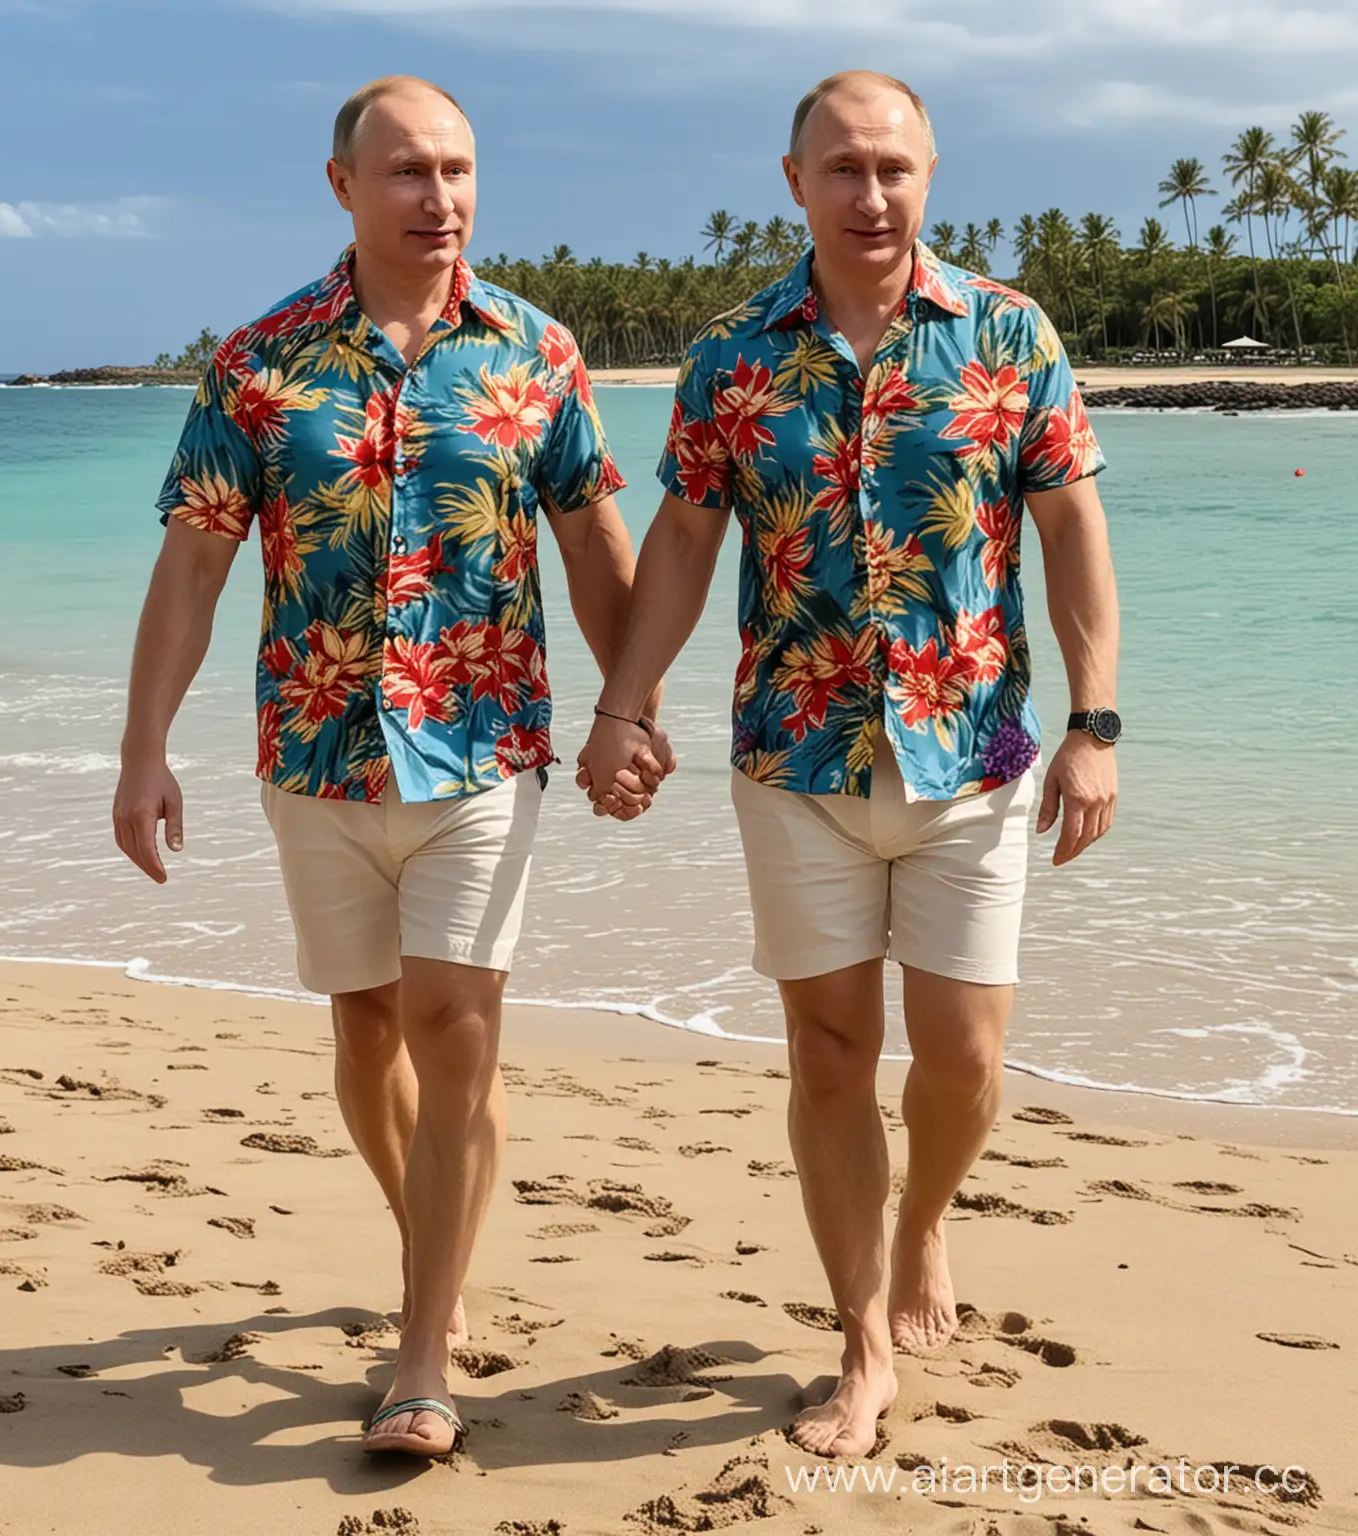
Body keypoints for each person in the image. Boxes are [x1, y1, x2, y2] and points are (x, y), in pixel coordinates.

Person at [112, 75, 668, 1460]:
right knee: (365, 1033)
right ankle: (432, 1240)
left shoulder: (535, 351)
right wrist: (142, 751)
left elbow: (600, 548)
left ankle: (423, 1354)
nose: (442, 199)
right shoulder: (258, 364)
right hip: (313, 753)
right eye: (411, 172)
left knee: (456, 1035)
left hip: (482, 752)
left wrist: (630, 706)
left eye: (461, 170)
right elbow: (193, 565)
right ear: (343, 186)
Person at [579, 70, 1119, 1459]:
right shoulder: (732, 354)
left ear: (929, 173)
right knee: (828, 1061)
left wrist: (1094, 723)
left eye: (894, 168)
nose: (870, 194)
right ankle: (862, 1342)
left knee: (965, 1058)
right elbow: (689, 545)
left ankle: (925, 1223)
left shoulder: (1008, 335)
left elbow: (1069, 533)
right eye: (842, 169)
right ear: (795, 180)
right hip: (796, 761)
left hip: (973, 759)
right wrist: (623, 706)